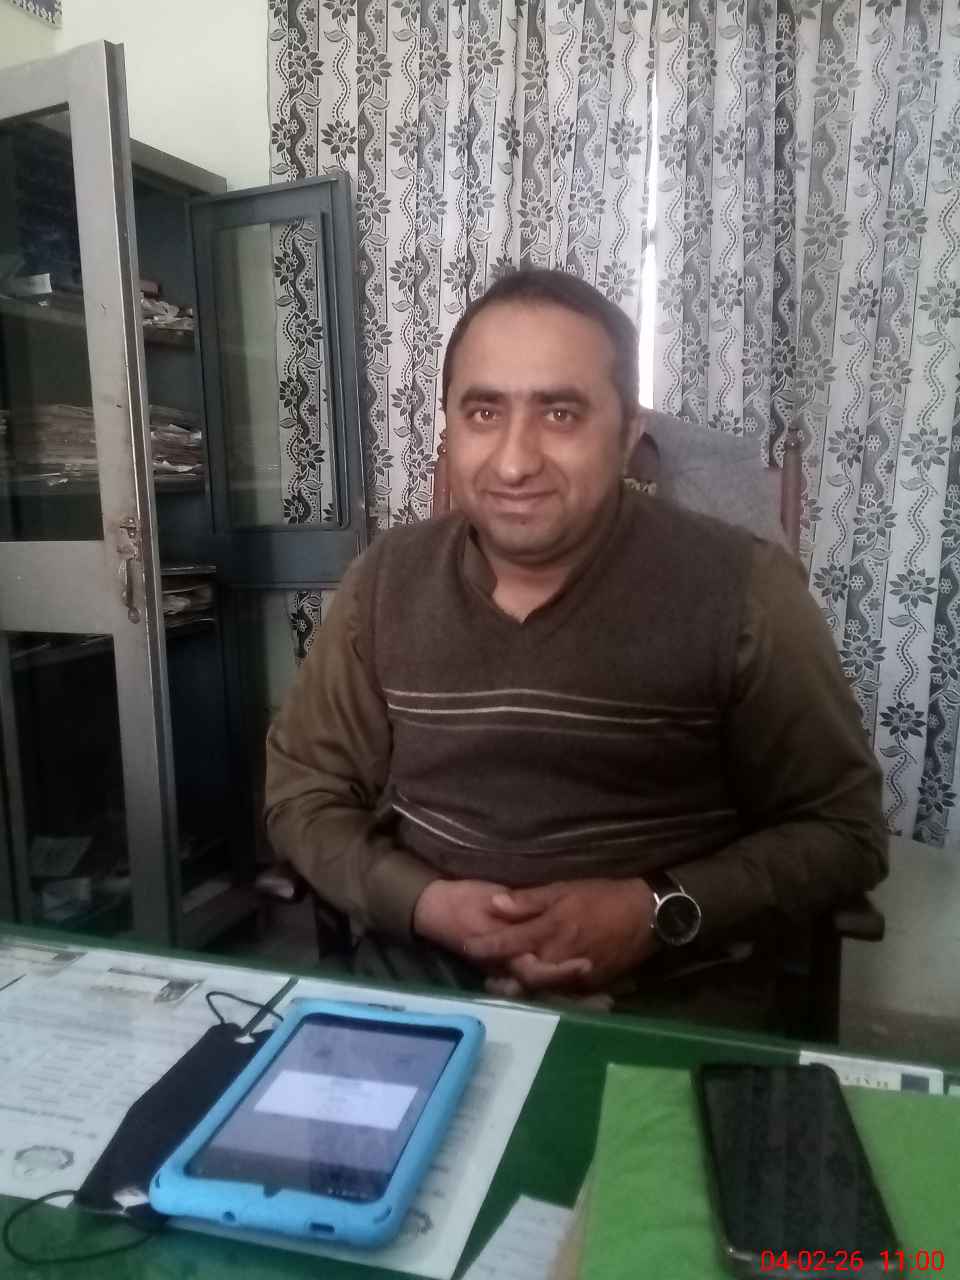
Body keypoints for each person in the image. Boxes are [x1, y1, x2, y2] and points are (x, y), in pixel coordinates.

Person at [264, 268, 887, 1025]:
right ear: (448, 428)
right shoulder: (383, 583)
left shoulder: (747, 593)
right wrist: (423, 903)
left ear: (627, 436)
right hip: (423, 987)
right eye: (483, 412)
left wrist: (656, 910)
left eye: (560, 414)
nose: (514, 462)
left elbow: (845, 832)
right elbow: (304, 792)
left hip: (673, 1003)